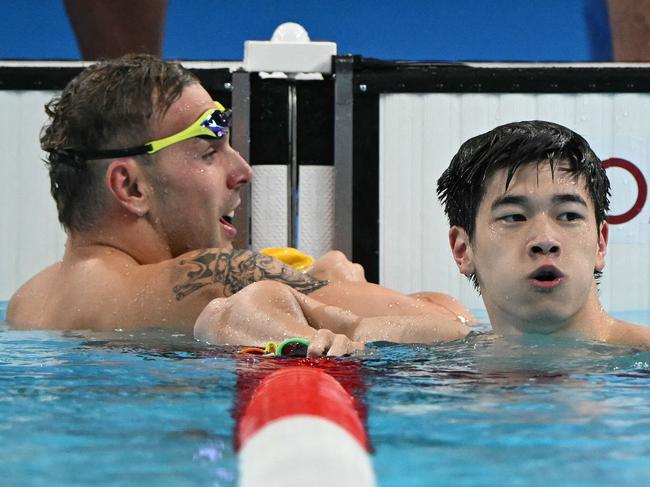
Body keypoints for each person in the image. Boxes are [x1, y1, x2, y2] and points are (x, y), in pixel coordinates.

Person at [7, 54, 472, 356]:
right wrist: (332, 284)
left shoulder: (28, 303)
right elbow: (452, 327)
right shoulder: (210, 280)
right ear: (130, 187)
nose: (243, 171)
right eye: (210, 152)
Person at [436, 120, 650, 347]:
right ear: (463, 250)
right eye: (514, 217)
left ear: (600, 243)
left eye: (569, 216)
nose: (545, 241)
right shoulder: (441, 354)